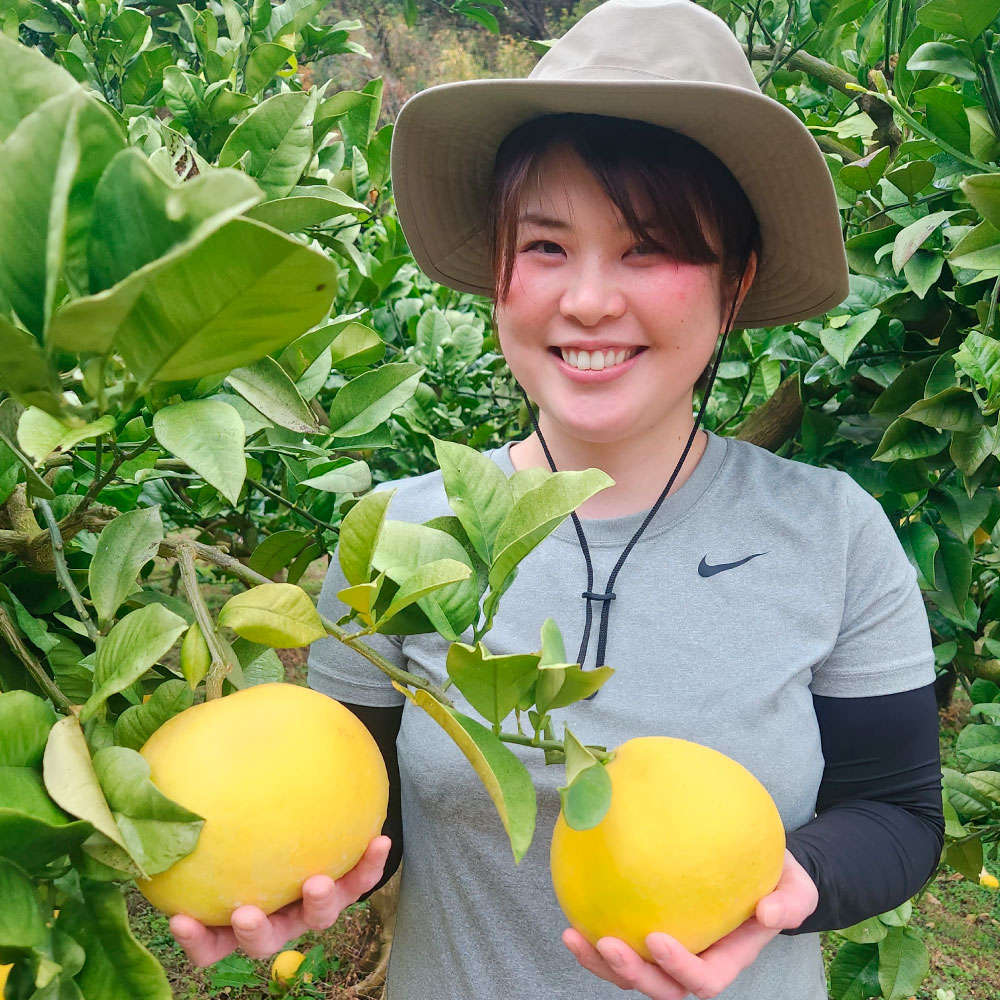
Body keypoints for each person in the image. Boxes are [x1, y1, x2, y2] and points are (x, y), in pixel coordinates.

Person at [170, 2, 945, 997]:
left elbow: (896, 815)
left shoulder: (828, 533)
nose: (584, 300)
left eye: (648, 247)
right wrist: (292, 871)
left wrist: (792, 882)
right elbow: (363, 808)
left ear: (735, 281)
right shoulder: (406, 535)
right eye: (545, 246)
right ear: (498, 272)